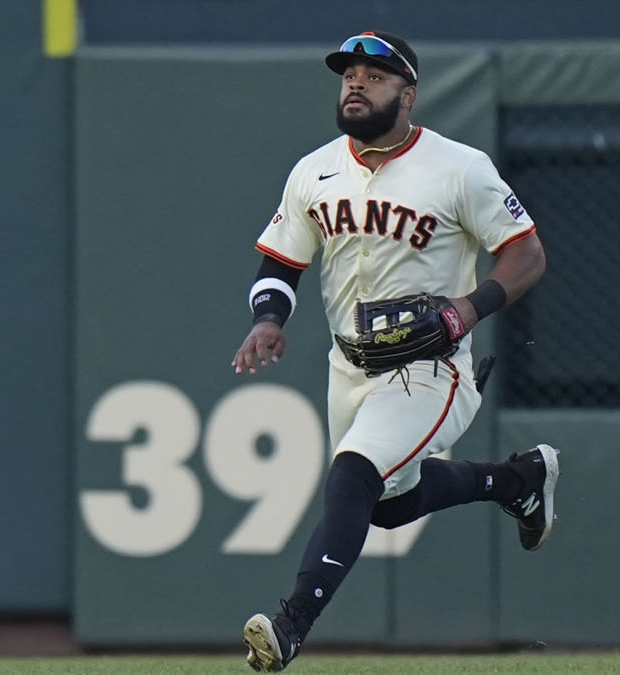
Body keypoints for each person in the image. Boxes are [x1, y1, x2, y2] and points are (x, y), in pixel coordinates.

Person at [230, 31, 557, 672]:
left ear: (408, 94)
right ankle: (518, 480)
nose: (355, 83)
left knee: (352, 476)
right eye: (348, 74)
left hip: (429, 365)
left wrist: (467, 309)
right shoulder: (315, 169)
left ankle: (291, 625)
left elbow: (527, 253)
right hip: (348, 365)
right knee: (389, 507)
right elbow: (281, 260)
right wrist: (268, 318)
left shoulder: (458, 167)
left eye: (374, 76)